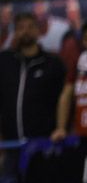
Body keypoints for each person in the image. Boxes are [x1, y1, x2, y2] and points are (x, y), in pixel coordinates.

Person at [0, 12, 66, 142]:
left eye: (30, 27)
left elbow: (63, 98)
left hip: (44, 143)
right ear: (15, 32)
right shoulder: (4, 61)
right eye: (21, 27)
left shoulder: (52, 63)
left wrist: (61, 128)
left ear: (38, 30)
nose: (26, 31)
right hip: (10, 144)